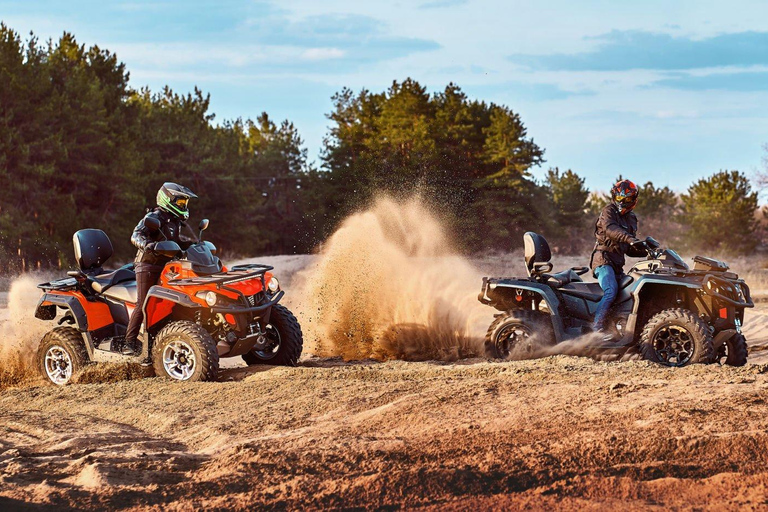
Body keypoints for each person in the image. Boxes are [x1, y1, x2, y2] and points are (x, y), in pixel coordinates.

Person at [121, 182, 197, 354]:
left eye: (185, 203)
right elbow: (136, 235)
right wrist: (148, 245)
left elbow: (176, 242)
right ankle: (129, 343)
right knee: (145, 303)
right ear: (168, 199)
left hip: (166, 266)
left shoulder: (175, 221)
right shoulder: (155, 217)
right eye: (180, 202)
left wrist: (194, 245)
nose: (183, 206)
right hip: (147, 265)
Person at [590, 179, 646, 334]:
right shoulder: (608, 211)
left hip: (617, 264)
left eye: (627, 199)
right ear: (614, 196)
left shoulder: (631, 218)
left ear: (633, 200)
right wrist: (630, 239)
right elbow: (610, 230)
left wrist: (646, 248)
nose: (622, 202)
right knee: (611, 291)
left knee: (629, 293)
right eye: (620, 198)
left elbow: (629, 249)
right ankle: (597, 330)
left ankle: (617, 329)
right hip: (603, 260)